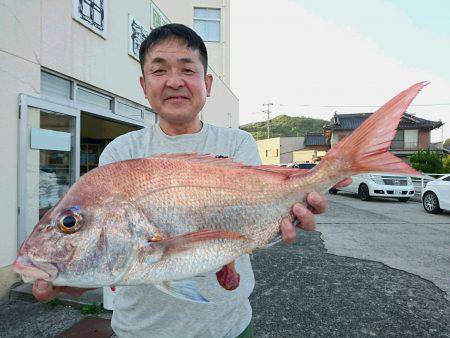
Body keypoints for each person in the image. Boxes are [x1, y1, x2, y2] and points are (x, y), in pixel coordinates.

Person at [32, 23, 349, 337]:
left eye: (187, 69)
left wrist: (302, 197)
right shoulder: (121, 152)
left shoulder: (237, 144)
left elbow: (252, 227)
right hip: (139, 330)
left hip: (227, 327)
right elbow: (113, 250)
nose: (173, 81)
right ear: (144, 86)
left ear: (207, 83)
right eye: (159, 71)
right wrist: (68, 277)